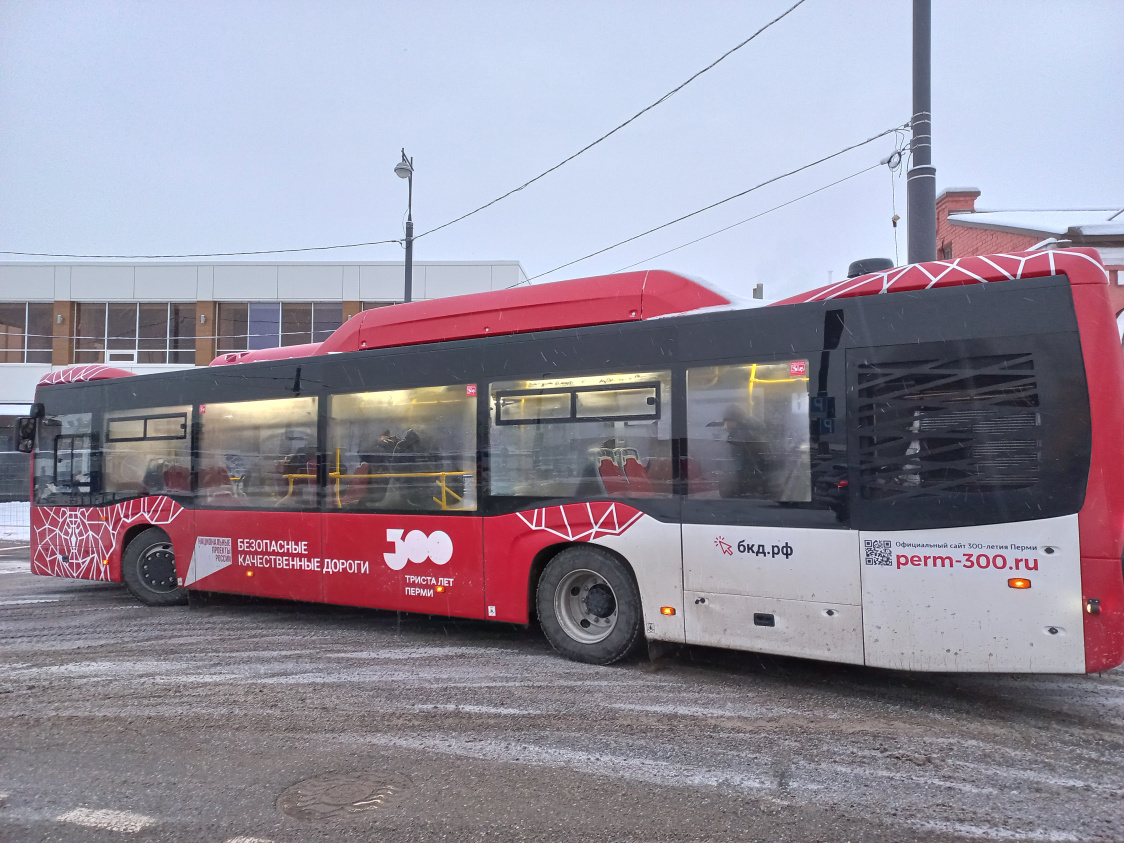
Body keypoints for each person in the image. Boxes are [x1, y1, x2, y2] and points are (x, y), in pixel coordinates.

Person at [718, 404, 770, 499]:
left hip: (745, 481)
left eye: (727, 420)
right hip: (755, 480)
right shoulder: (750, 433)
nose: (725, 424)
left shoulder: (738, 436)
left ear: (735, 420)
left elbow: (736, 464)